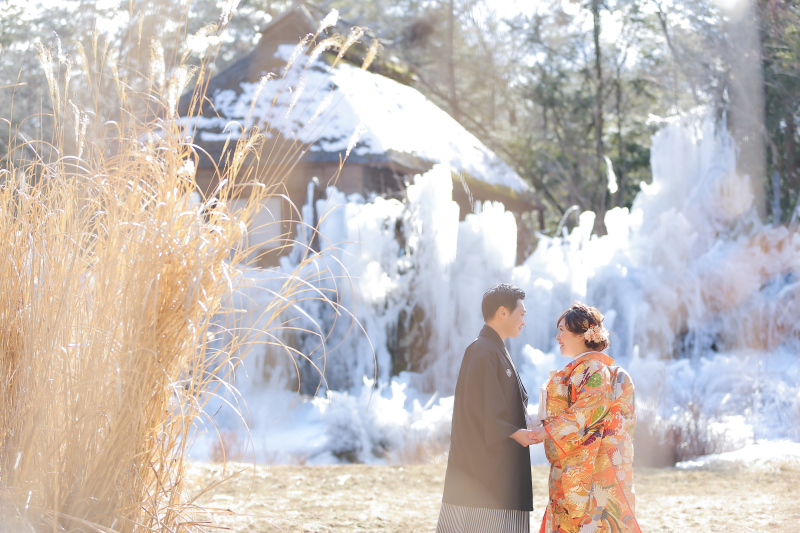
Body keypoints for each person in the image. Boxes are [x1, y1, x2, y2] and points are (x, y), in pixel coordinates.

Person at [529, 302, 640, 533]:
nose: (557, 337)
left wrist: (547, 431)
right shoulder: (587, 368)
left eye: (562, 330)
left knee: (588, 521)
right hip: (586, 460)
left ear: (581, 335)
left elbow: (587, 411)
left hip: (591, 467)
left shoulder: (593, 369)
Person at [437, 283, 539, 533]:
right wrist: (515, 432)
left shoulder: (493, 349)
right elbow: (479, 409)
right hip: (483, 472)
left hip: (496, 468)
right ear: (502, 312)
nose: (524, 321)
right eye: (521, 314)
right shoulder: (483, 350)